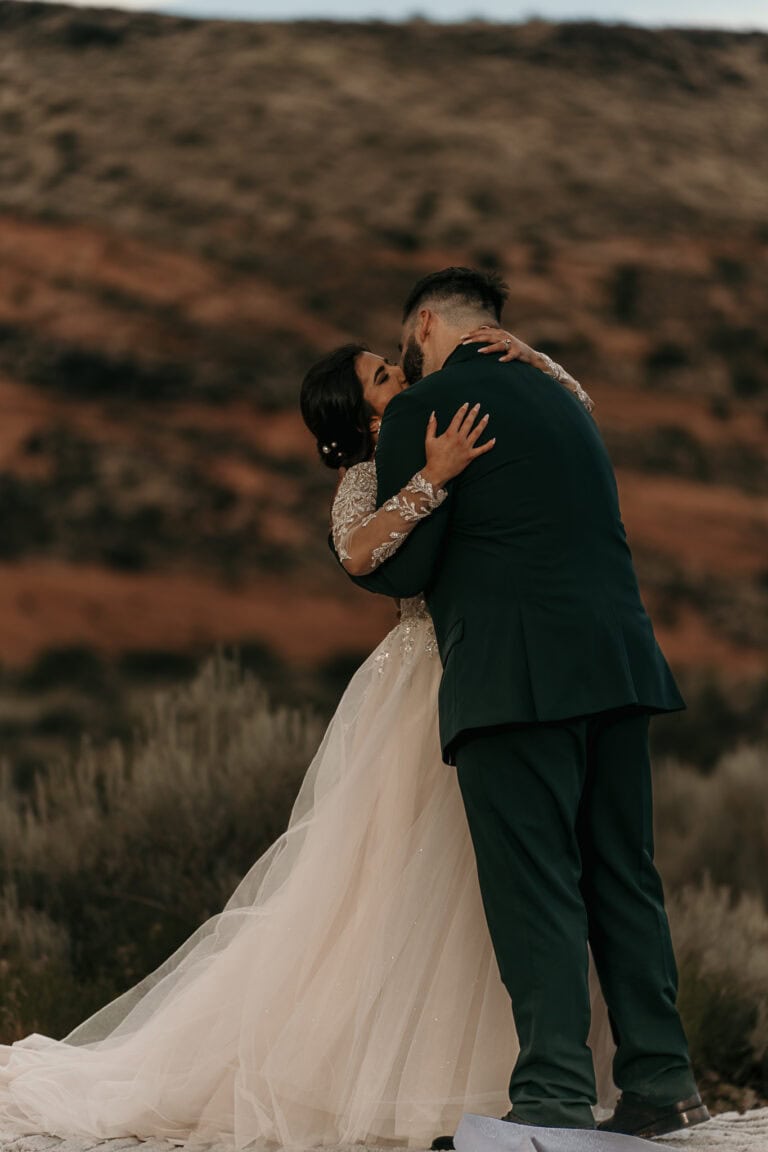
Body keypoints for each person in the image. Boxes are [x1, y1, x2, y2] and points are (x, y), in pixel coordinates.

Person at [0, 331, 614, 1150]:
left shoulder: (450, 421)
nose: (403, 377)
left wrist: (533, 363)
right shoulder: (371, 473)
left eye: (394, 366)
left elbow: (566, 433)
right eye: (385, 378)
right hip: (424, 683)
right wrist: (434, 477)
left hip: (490, 665)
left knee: (482, 880)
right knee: (406, 879)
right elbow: (359, 552)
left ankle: (512, 1076)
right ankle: (396, 1080)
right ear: (361, 419)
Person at [340, 267, 710, 1147]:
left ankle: (550, 1099)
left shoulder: (425, 413)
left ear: (425, 325)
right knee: (624, 874)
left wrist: (422, 483)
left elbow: (400, 573)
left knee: (537, 885)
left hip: (514, 680)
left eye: (404, 350)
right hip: (618, 664)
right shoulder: (563, 397)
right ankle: (664, 1082)